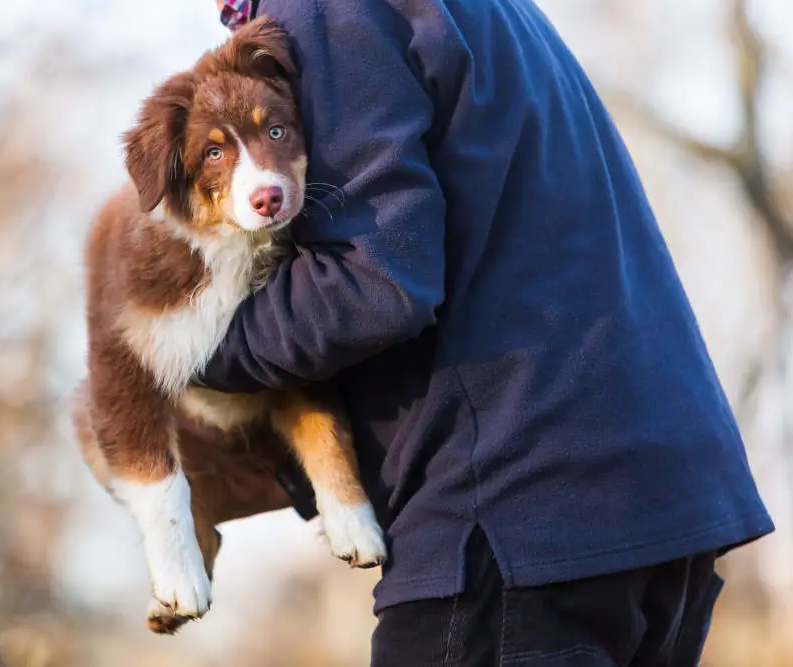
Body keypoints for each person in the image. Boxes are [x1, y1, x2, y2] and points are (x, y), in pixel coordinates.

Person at [191, 1, 775, 665]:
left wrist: (186, 348)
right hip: (654, 509)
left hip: (516, 521)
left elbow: (374, 283)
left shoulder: (326, 10)